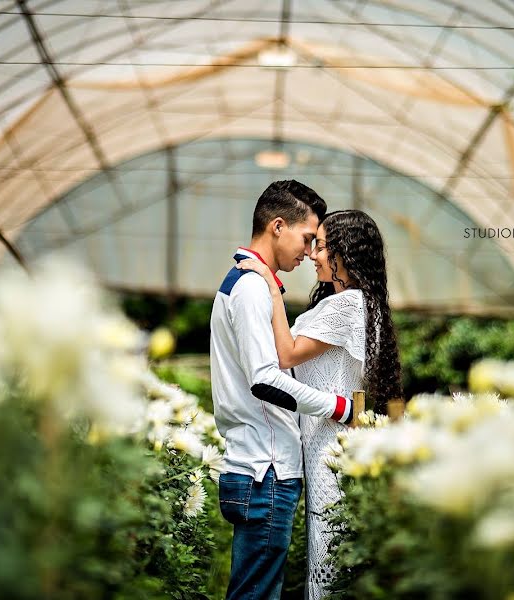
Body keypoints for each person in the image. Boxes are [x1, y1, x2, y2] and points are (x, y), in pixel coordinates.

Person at [237, 209, 403, 599]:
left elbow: (288, 354)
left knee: (328, 565)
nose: (313, 254)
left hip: (330, 449)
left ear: (347, 253)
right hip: (332, 444)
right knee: (335, 559)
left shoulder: (347, 306)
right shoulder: (360, 303)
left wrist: (270, 285)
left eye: (323, 246)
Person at [210, 181, 355, 600]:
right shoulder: (252, 286)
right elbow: (265, 380)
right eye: (308, 239)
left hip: (254, 465)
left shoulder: (247, 281)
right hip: (265, 470)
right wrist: (339, 406)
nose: (310, 253)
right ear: (277, 226)